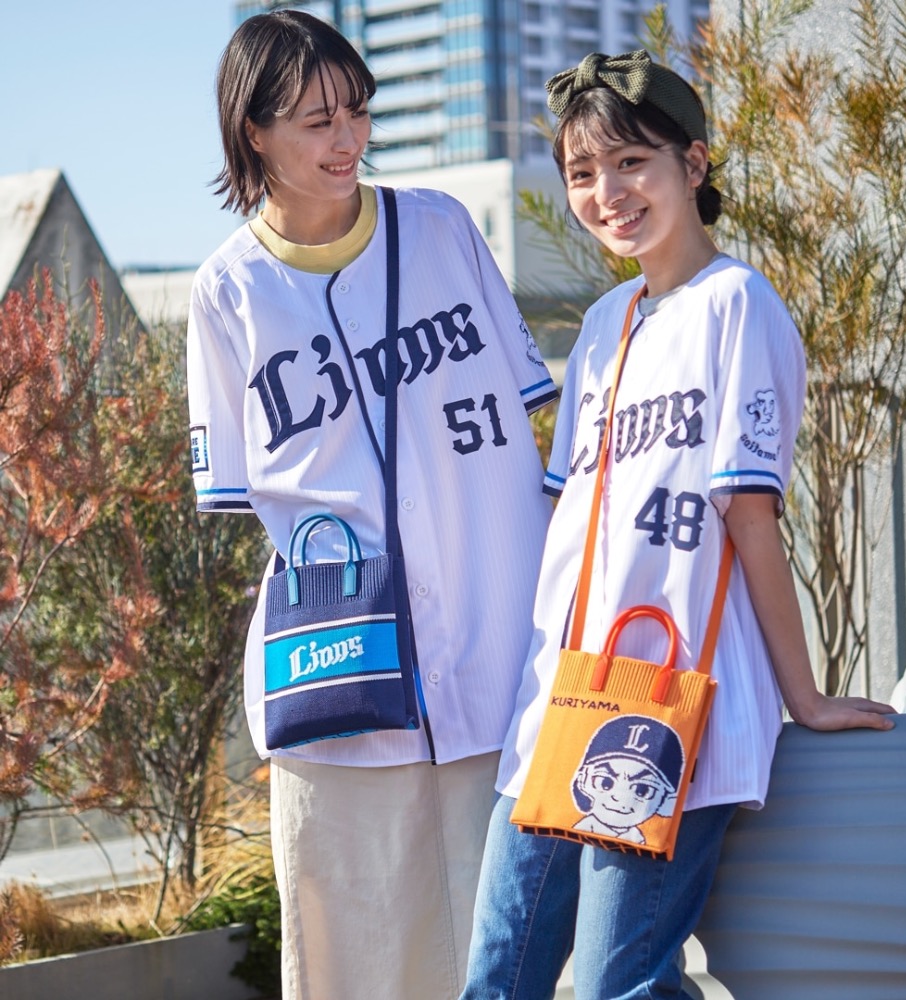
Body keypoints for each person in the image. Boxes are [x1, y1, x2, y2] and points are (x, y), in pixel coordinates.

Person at [460, 50, 897, 1000]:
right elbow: (570, 524)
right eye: (583, 172)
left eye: (632, 163)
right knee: (498, 977)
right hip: (564, 697)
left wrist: (803, 698)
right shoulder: (602, 325)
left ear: (693, 164)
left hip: (668, 701)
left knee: (618, 985)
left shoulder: (738, 304)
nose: (607, 194)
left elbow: (749, 513)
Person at [185, 11, 557, 999]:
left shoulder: (441, 228)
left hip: (499, 648)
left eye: (358, 110)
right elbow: (244, 492)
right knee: (355, 965)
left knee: (520, 961)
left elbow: (523, 410)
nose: (348, 138)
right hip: (342, 686)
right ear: (254, 132)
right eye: (317, 121)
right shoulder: (226, 293)